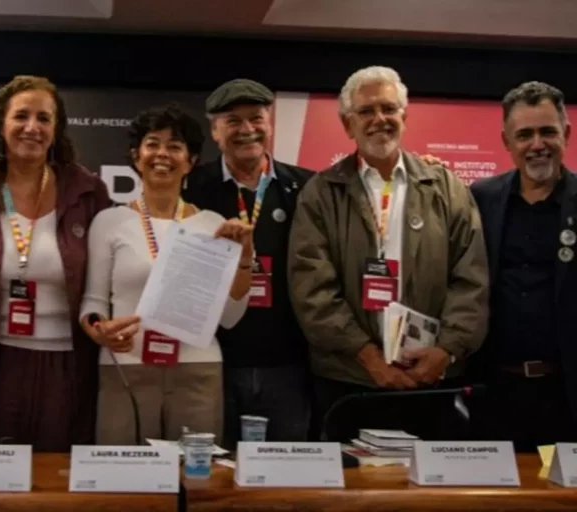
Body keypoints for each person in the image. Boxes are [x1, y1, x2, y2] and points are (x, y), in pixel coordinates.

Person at [288, 66, 489, 443]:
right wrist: (368, 357)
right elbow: (311, 288)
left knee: (432, 496)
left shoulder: (446, 188)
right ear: (348, 125)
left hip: (429, 378)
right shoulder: (320, 193)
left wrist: (445, 351)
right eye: (366, 111)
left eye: (388, 109)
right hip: (348, 380)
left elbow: (471, 279)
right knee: (352, 497)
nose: (379, 119)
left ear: (404, 117)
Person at [0, 75, 111, 450]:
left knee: (57, 488)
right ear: (1, 124)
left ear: (56, 129)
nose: (32, 128)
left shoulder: (86, 192)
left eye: (44, 119)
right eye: (21, 116)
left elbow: (108, 280)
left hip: (68, 369)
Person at [80, 103, 253, 444]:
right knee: (125, 481)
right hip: (126, 366)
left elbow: (231, 317)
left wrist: (245, 259)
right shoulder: (109, 222)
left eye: (175, 146)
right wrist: (99, 330)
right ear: (136, 155)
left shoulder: (214, 225)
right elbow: (93, 301)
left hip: (197, 370)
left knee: (196, 481)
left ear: (189, 162)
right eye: (152, 143)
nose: (162, 154)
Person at [182, 79, 314, 447]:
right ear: (215, 130)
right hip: (215, 358)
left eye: (256, 118)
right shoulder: (191, 187)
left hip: (287, 363)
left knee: (286, 478)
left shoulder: (306, 187)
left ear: (270, 124)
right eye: (233, 120)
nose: (247, 130)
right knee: (217, 477)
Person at [469, 81, 577, 452]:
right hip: (494, 394)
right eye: (524, 134)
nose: (537, 144)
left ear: (566, 133)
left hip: (568, 396)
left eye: (547, 132)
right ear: (506, 141)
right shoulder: (478, 199)